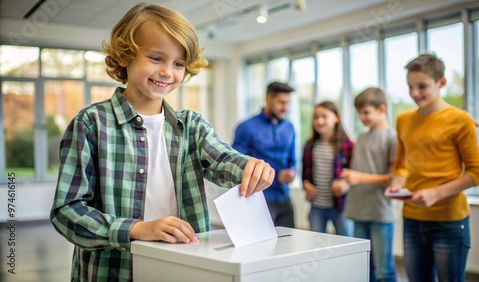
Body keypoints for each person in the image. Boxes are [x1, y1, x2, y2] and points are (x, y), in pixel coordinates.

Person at [50, 4, 275, 281]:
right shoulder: (91, 123)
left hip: (181, 270)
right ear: (125, 56)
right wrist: (135, 229)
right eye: (156, 58)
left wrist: (251, 167)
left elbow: (224, 160)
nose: (168, 72)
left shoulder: (191, 126)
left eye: (178, 64)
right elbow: (67, 211)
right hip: (113, 271)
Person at [386, 53, 479, 282]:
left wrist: (435, 193)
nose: (414, 93)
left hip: (448, 222)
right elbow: (402, 165)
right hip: (412, 219)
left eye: (422, 86)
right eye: (410, 86)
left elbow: (477, 173)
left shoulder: (461, 120)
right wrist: (397, 183)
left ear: (441, 82)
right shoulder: (403, 120)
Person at [341, 87, 398, 282]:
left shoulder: (392, 137)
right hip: (358, 210)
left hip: (380, 212)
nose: (362, 117)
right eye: (359, 113)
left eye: (366, 112)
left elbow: (393, 177)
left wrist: (359, 178)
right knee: (364, 268)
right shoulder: (362, 136)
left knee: (384, 270)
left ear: (382, 109)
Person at [232, 81, 297, 228]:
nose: (285, 107)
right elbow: (236, 165)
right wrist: (275, 174)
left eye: (287, 103)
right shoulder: (246, 127)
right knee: (262, 248)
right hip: (258, 198)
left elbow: (293, 159)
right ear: (268, 98)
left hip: (284, 198)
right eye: (281, 102)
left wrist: (292, 172)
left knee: (288, 244)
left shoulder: (290, 128)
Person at [301, 101, 354, 236]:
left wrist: (345, 184)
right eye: (316, 117)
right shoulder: (310, 145)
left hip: (340, 206)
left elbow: (353, 174)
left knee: (347, 243)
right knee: (316, 244)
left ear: (336, 118)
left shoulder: (348, 146)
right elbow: (305, 174)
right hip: (317, 206)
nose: (319, 121)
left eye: (324, 116)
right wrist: (306, 184)